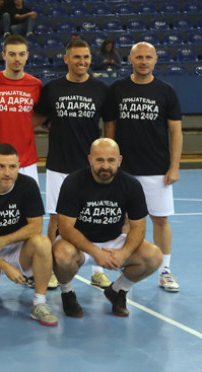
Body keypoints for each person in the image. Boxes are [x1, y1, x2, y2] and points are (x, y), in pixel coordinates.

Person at [103, 42, 182, 292]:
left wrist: (174, 166)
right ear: (130, 59)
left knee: (160, 220)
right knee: (123, 222)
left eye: (148, 57)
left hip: (157, 169)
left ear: (156, 59)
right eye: (139, 57)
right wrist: (111, 162)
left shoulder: (166, 91)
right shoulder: (117, 89)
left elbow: (175, 131)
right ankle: (127, 267)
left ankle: (165, 270)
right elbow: (110, 129)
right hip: (124, 170)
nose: (144, 61)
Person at [52, 139, 162, 317]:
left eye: (111, 160)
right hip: (77, 244)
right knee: (61, 254)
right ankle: (67, 293)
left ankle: (118, 290)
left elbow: (138, 227)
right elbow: (65, 228)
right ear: (90, 160)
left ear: (119, 160)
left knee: (154, 256)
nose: (105, 165)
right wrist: (96, 252)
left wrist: (124, 252)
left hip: (113, 240)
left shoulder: (131, 185)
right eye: (100, 160)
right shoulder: (73, 182)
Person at [33, 39, 108, 282]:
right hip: (59, 163)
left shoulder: (100, 89)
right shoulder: (52, 88)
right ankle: (52, 269)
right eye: (76, 57)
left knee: (94, 216)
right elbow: (38, 119)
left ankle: (98, 270)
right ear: (66, 59)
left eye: (86, 57)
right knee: (56, 217)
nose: (82, 61)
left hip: (90, 166)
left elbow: (109, 124)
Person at [0, 143, 56, 326]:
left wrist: (3, 240)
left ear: (19, 166)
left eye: (12, 167)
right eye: (1, 166)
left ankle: (39, 303)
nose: (7, 172)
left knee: (43, 243)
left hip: (17, 248)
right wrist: (6, 267)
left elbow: (36, 227)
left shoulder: (28, 186)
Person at [0, 34, 42, 186]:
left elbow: (40, 115)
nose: (17, 59)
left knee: (28, 202)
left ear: (27, 55)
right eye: (12, 54)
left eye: (21, 54)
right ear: (3, 55)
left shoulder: (36, 85)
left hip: (26, 161)